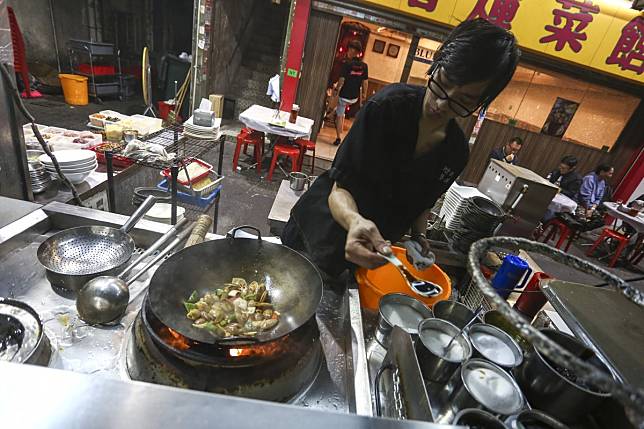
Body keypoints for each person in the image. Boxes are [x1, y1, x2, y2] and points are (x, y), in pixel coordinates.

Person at [281, 19, 520, 281]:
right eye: (443, 81)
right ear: (437, 64)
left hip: (373, 255)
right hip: (319, 233)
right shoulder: (387, 107)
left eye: (462, 100)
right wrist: (354, 221)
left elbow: (422, 204)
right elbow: (339, 189)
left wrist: (419, 237)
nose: (441, 103)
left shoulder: (455, 152)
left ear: (479, 103)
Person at [333, 39, 369, 146]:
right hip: (354, 98)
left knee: (339, 115)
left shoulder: (347, 64)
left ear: (353, 50)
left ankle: (339, 137)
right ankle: (330, 114)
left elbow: (342, 80)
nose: (348, 51)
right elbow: (365, 82)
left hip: (344, 97)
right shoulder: (364, 66)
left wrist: (336, 88)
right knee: (342, 110)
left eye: (349, 49)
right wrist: (364, 95)